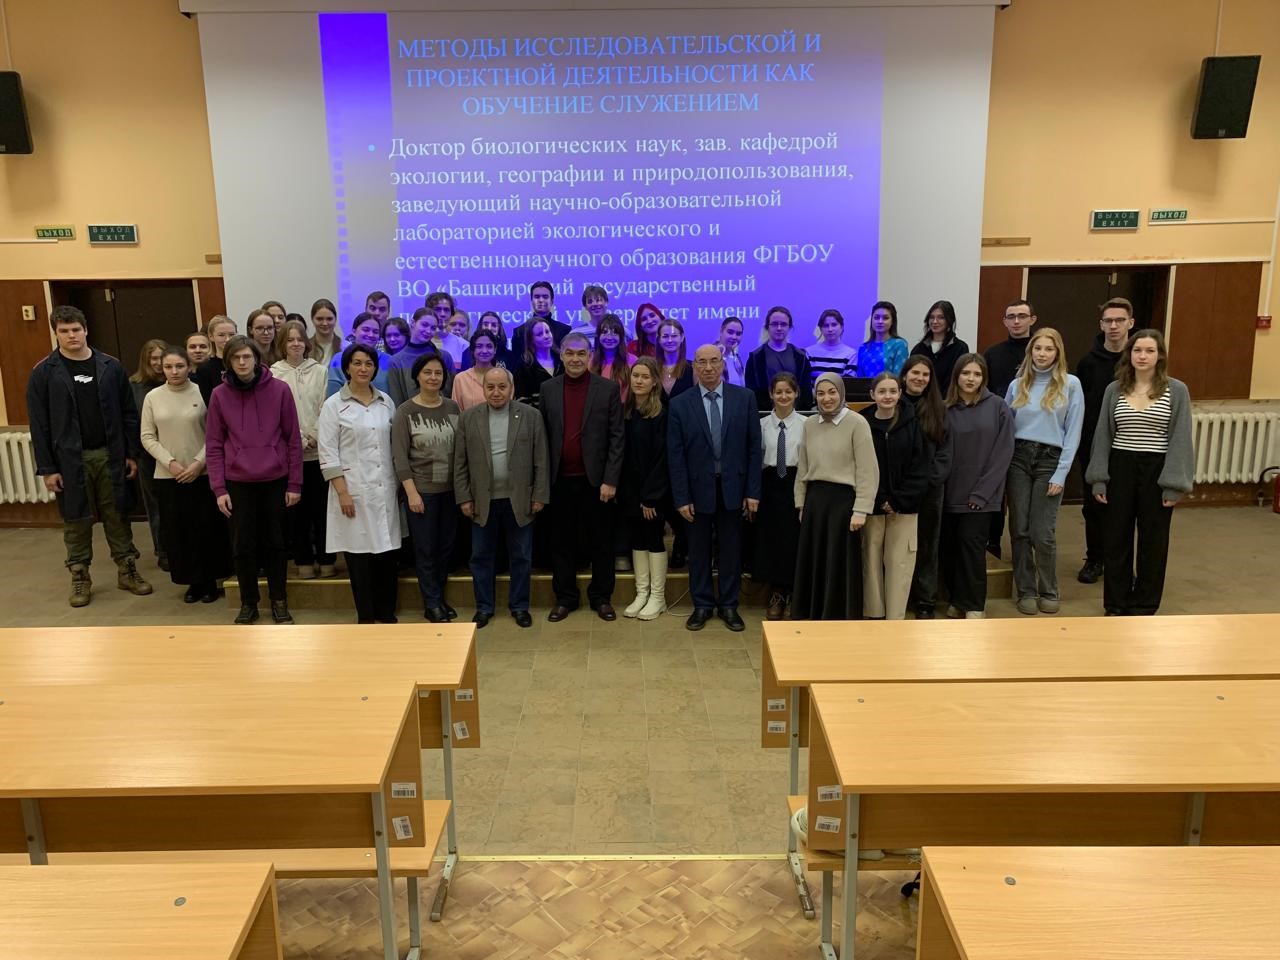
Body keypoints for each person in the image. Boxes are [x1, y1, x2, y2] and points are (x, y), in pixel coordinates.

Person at [27, 305, 152, 607]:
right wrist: (48, 468)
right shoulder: (44, 373)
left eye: (76, 329)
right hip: (69, 459)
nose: (71, 335)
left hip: (110, 454)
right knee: (76, 518)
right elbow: (39, 424)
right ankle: (80, 574)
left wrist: (130, 453)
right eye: (64, 331)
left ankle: (127, 569)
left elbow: (128, 413)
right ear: (56, 334)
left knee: (117, 513)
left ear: (85, 330)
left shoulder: (110, 367)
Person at [1086, 329, 1193, 617]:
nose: (1142, 356)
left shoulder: (1176, 390)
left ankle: (1144, 604)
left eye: (1149, 350)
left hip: (1157, 470)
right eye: (1137, 350)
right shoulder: (1114, 389)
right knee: (1116, 538)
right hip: (1120, 467)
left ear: (1160, 356)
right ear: (1129, 354)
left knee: (1153, 540)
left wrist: (1174, 484)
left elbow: (1181, 439)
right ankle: (1116, 603)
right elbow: (1103, 436)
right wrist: (1099, 478)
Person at [206, 335, 302, 625]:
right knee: (242, 545)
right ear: (228, 362)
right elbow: (214, 445)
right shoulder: (219, 395)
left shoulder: (280, 390)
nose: (242, 362)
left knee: (276, 544)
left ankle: (279, 600)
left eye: (247, 356)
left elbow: (293, 439)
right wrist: (219, 488)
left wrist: (295, 483)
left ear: (257, 359)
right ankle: (249, 602)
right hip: (237, 482)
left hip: (275, 479)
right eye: (236, 358)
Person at [668, 344, 762, 631]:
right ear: (694, 367)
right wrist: (681, 497)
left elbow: (753, 449)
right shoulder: (680, 404)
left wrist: (753, 491)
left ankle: (729, 605)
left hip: (734, 488)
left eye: (713, 361)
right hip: (696, 491)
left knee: (731, 551)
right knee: (698, 552)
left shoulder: (744, 398)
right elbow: (675, 455)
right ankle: (702, 605)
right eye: (701, 362)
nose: (708, 367)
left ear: (722, 364)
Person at [453, 367, 550, 628]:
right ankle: (484, 608)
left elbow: (541, 459)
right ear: (483, 389)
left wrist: (539, 494)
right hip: (481, 501)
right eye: (490, 387)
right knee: (481, 557)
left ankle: (520, 606)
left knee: (521, 557)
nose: (496, 392)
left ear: (512, 389)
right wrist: (464, 497)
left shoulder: (530, 416)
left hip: (520, 499)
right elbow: (460, 462)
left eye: (502, 387)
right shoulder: (468, 418)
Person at [538, 332, 625, 621]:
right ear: (561, 355)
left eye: (581, 354)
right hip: (559, 480)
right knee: (562, 542)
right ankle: (566, 598)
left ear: (589, 356)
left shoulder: (607, 389)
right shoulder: (548, 389)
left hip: (597, 482)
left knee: (601, 542)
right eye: (570, 353)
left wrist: (611, 480)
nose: (575, 359)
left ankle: (601, 597)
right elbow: (542, 437)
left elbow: (617, 438)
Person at [139, 346, 230, 602]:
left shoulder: (203, 392)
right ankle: (192, 582)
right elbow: (147, 436)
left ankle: (210, 580)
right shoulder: (153, 397)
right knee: (179, 532)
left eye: (179, 366)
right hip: (169, 476)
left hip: (202, 473)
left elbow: (216, 432)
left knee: (206, 529)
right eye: (168, 367)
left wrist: (198, 463)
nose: (174, 371)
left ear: (189, 367)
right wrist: (170, 463)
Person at [318, 344, 402, 624]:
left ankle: (386, 612)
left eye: (368, 363)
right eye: (357, 363)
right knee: (359, 554)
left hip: (384, 488)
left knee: (386, 552)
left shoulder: (386, 401)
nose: (363, 368)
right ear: (347, 367)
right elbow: (327, 453)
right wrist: (342, 492)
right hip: (352, 489)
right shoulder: (334, 405)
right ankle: (365, 616)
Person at [1005, 327, 1083, 615]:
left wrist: (1061, 473)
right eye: (1038, 348)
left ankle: (1049, 589)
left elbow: (1073, 432)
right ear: (1030, 351)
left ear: (1057, 352)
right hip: (1019, 458)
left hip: (1050, 460)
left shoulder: (1071, 384)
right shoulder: (1017, 385)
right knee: (1019, 529)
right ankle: (1025, 590)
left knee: (1042, 532)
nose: (1042, 354)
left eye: (1049, 349)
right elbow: (1005, 426)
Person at [791, 374, 878, 621]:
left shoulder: (857, 423)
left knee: (839, 562)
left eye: (832, 392)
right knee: (815, 560)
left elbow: (868, 470)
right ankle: (813, 614)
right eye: (821, 393)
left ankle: (837, 617)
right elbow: (803, 466)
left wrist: (861, 508)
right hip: (815, 502)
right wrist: (801, 503)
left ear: (841, 393)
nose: (826, 398)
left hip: (843, 504)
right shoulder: (810, 424)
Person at [940, 354, 1014, 618]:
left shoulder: (998, 407)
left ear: (984, 378)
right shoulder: (945, 408)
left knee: (972, 549)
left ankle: (974, 606)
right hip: (950, 494)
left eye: (977, 374)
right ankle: (957, 600)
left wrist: (982, 493)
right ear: (956, 376)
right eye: (966, 373)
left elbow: (1003, 453)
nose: (971, 379)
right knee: (950, 550)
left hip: (982, 497)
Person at [392, 353, 460, 623]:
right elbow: (400, 457)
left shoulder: (453, 407)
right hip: (422, 492)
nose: (433, 377)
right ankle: (431, 603)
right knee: (426, 549)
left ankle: (439, 598)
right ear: (417, 376)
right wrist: (411, 493)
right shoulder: (405, 411)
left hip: (451, 491)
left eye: (438, 373)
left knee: (445, 548)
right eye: (428, 372)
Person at [1074, 297, 1136, 584]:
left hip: (1128, 446)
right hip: (1093, 446)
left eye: (1119, 320)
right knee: (1093, 506)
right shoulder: (1088, 364)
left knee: (1124, 508)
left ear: (1130, 323)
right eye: (1108, 321)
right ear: (1101, 325)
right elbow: (1081, 408)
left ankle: (1119, 563)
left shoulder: (1139, 361)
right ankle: (1095, 559)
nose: (1114, 326)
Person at [859, 372, 930, 620]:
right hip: (872, 506)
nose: (887, 396)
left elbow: (920, 467)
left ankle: (895, 617)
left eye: (892, 391)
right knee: (870, 560)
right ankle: (874, 614)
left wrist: (898, 500)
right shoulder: (862, 424)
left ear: (900, 394)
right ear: (872, 394)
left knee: (900, 562)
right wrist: (879, 499)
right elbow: (860, 465)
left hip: (904, 507)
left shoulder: (913, 424)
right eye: (882, 391)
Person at [271, 320, 332, 579]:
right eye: (290, 340)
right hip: (289, 455)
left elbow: (326, 406)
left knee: (322, 511)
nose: (295, 344)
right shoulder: (273, 374)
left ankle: (326, 559)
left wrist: (314, 435)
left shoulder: (319, 371)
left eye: (299, 339)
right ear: (282, 344)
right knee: (296, 513)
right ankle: (304, 560)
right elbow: (275, 414)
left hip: (318, 452)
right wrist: (297, 440)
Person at [982, 298, 1037, 559]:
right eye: (1011, 317)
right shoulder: (993, 354)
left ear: (1032, 320)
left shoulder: (1041, 352)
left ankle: (1025, 552)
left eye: (1022, 316)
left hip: (1031, 435)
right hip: (998, 433)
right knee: (995, 489)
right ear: (1004, 321)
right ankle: (992, 543)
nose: (1016, 321)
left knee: (1023, 500)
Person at [900, 355, 952, 618]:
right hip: (899, 491)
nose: (919, 378)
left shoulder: (939, 409)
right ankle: (898, 596)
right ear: (904, 375)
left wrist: (927, 482)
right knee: (899, 546)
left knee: (927, 545)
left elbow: (945, 453)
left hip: (930, 491)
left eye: (925, 374)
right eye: (915, 373)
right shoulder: (894, 404)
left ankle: (925, 600)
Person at [619, 357, 670, 619]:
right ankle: (642, 593)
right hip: (630, 492)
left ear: (654, 382)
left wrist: (650, 497)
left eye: (645, 377)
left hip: (653, 494)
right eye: (635, 376)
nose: (639, 381)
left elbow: (662, 459)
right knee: (637, 539)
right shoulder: (626, 411)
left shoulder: (661, 414)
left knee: (653, 539)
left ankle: (658, 597)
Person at [756, 372, 806, 620]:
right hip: (770, 485)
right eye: (778, 392)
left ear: (796, 393)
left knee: (794, 541)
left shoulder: (807, 425)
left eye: (788, 391)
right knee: (773, 540)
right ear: (771, 394)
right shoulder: (761, 425)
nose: (783, 396)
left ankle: (795, 592)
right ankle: (776, 593)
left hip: (796, 484)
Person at [129, 338, 168, 572]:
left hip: (175, 452)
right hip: (147, 455)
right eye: (154, 358)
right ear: (146, 360)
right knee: (155, 505)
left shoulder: (176, 381)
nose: (158, 363)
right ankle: (162, 551)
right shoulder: (134, 386)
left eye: (162, 358)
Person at [746, 306, 814, 411]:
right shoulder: (755, 358)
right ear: (767, 327)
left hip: (796, 415)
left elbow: (806, 393)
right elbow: (751, 393)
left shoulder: (801, 357)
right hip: (764, 415)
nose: (779, 328)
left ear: (789, 327)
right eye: (774, 324)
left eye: (783, 324)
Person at [387, 308, 454, 407]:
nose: (428, 331)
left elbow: (452, 395)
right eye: (424, 325)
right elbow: (397, 401)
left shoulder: (444, 357)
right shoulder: (396, 361)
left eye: (433, 328)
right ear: (413, 323)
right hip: (409, 415)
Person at [909, 300, 970, 393]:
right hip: (922, 399)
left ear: (949, 320)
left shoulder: (960, 348)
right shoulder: (919, 349)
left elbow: (958, 378)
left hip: (949, 399)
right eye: (931, 317)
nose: (935, 321)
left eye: (941, 317)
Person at [326, 312, 391, 397]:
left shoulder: (389, 360)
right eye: (366, 330)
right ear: (354, 331)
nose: (371, 334)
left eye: (375, 332)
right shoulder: (338, 359)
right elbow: (333, 396)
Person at [511, 281, 570, 351]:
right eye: (537, 297)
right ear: (531, 301)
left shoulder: (565, 330)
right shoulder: (519, 332)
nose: (541, 300)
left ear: (552, 301)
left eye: (545, 297)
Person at [856, 301, 909, 377]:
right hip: (864, 385)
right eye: (876, 318)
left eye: (885, 318)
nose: (880, 321)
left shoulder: (899, 345)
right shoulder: (863, 347)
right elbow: (859, 378)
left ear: (892, 321)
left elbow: (898, 377)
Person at [193, 315, 237, 406]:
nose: (227, 339)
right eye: (221, 335)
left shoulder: (244, 362)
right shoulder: (205, 369)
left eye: (232, 335)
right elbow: (210, 403)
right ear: (211, 336)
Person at [514, 318, 562, 401]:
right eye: (540, 334)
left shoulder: (562, 360)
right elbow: (523, 401)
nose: (546, 336)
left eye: (547, 331)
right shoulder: (524, 367)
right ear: (531, 340)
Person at [451, 329, 500, 411]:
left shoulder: (506, 377)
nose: (484, 351)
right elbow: (456, 412)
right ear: (472, 350)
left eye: (489, 346)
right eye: (479, 346)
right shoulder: (460, 379)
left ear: (495, 349)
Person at [590, 314, 631, 404]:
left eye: (615, 332)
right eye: (604, 332)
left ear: (621, 336)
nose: (609, 337)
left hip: (624, 410)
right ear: (598, 336)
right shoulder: (589, 361)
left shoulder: (632, 361)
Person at [807, 309, 857, 382]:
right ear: (820, 329)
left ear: (842, 327)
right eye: (826, 325)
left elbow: (848, 384)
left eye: (834, 325)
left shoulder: (851, 354)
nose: (830, 329)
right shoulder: (809, 353)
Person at [657, 319, 695, 403]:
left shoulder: (693, 368)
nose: (670, 340)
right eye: (665, 336)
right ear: (659, 339)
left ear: (682, 337)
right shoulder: (652, 368)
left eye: (674, 336)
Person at [309, 298, 341, 365]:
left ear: (335, 320)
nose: (325, 323)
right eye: (319, 319)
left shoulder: (345, 347)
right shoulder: (305, 347)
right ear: (312, 320)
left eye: (329, 319)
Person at [718, 316, 746, 387]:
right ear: (721, 331)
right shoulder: (712, 357)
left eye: (738, 334)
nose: (734, 337)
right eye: (730, 332)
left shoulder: (737, 358)